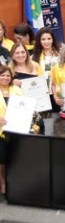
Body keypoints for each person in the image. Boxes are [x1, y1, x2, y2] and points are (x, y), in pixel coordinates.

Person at [0, 64, 24, 195]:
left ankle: (15, 182)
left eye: (8, 75)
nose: (5, 78)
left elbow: (25, 105)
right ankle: (2, 182)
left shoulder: (17, 89)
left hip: (16, 130)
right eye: (2, 75)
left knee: (15, 158)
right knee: (2, 159)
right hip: (0, 132)